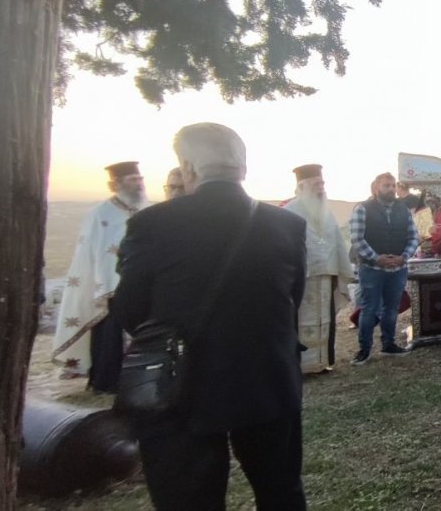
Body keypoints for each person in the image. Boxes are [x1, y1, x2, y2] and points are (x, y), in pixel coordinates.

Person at [111, 123, 307, 510]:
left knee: (189, 500)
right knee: (281, 493)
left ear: (187, 167)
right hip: (267, 380)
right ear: (242, 168)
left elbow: (130, 309)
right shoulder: (286, 224)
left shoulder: (152, 224)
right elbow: (292, 298)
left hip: (183, 387)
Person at [52, 161, 148, 393]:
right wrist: (104, 285)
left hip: (140, 287)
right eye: (132, 180)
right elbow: (92, 253)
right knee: (108, 336)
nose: (138, 185)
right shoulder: (100, 214)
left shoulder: (146, 212)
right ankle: (106, 384)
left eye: (140, 180)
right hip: (108, 288)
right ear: (115, 184)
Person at [284, 164, 353, 373]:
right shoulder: (289, 212)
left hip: (326, 277)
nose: (321, 188)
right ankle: (301, 365)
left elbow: (337, 243)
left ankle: (322, 362)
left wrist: (339, 268)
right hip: (302, 278)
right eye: (316, 184)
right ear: (302, 186)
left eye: (322, 183)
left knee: (325, 320)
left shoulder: (327, 213)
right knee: (301, 321)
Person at [349, 172, 419, 365]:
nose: (391, 189)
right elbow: (357, 239)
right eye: (386, 185)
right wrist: (376, 258)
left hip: (397, 268)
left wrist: (403, 257)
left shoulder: (403, 210)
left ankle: (389, 344)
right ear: (376, 188)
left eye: (393, 185)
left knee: (391, 308)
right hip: (371, 268)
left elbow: (414, 237)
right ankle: (364, 349)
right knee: (369, 308)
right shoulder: (362, 208)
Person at [413, 191, 441, 257]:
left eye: (433, 195)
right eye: (428, 195)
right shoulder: (421, 213)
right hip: (425, 251)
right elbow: (418, 237)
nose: (431, 198)